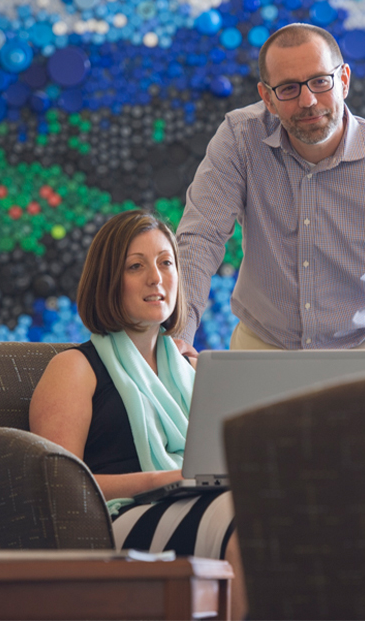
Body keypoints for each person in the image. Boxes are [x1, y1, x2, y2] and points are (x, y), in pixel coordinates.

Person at [175, 23, 365, 372]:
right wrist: (178, 337)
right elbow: (202, 236)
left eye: (321, 81)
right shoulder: (240, 139)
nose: (308, 101)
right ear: (267, 98)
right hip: (262, 348)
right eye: (288, 88)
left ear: (344, 80)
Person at [29, 209, 246, 618]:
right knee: (245, 518)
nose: (156, 277)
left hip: (206, 500)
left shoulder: (194, 370)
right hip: (122, 519)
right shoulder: (74, 369)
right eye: (136, 266)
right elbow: (59, 490)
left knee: (284, 511)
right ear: (108, 281)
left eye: (166, 262)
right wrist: (171, 481)